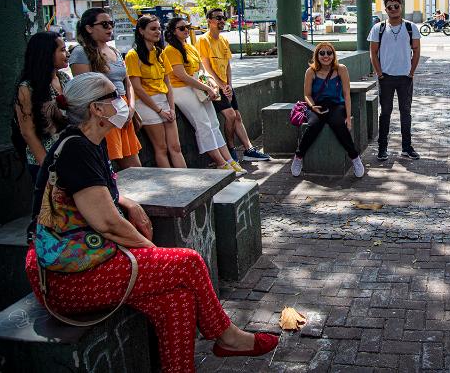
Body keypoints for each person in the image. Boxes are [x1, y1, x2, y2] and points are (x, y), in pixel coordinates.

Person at [24, 72, 278, 373]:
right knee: (188, 263)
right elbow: (107, 223)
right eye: (113, 96)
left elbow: (99, 191)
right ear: (96, 109)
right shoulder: (77, 148)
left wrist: (128, 202)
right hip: (65, 277)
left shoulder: (89, 142)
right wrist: (151, 253)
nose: (121, 101)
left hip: (90, 258)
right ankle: (228, 336)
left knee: (179, 301)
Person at [163, 16, 247, 176]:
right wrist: (207, 88)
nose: (186, 30)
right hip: (182, 89)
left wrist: (212, 84)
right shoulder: (170, 50)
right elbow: (182, 75)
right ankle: (220, 163)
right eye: (182, 28)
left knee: (214, 123)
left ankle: (229, 160)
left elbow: (201, 70)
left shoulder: (190, 47)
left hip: (198, 87)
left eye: (187, 27)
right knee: (203, 125)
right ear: (173, 32)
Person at [70, 7, 142, 170]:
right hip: (103, 114)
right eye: (104, 24)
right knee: (108, 166)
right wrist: (110, 112)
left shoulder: (114, 51)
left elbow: (127, 82)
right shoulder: (81, 53)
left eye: (111, 23)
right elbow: (85, 91)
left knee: (135, 167)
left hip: (123, 110)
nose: (110, 27)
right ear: (89, 28)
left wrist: (131, 108)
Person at [197, 9, 270, 162]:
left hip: (226, 86)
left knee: (237, 116)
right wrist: (222, 86)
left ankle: (249, 149)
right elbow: (206, 67)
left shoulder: (223, 40)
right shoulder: (204, 40)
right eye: (218, 18)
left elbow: (227, 65)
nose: (222, 21)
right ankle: (230, 149)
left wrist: (229, 85)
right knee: (230, 115)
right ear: (209, 21)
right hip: (214, 86)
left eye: (223, 18)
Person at [290, 42, 364, 178]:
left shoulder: (341, 69)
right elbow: (307, 94)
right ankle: (298, 156)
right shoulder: (311, 71)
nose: (326, 56)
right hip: (316, 105)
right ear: (317, 55)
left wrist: (348, 117)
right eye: (322, 53)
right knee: (313, 125)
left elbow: (347, 94)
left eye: (329, 53)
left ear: (333, 55)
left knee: (338, 124)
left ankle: (355, 158)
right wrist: (312, 107)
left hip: (336, 104)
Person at [126, 16, 186, 168]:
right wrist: (159, 110)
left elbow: (168, 83)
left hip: (164, 101)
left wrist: (171, 108)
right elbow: (137, 87)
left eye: (159, 28)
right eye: (153, 29)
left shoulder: (160, 52)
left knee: (176, 147)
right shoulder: (133, 55)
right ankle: (171, 186)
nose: (157, 32)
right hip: (147, 103)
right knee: (161, 148)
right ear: (141, 31)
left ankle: (187, 182)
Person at [368, 0, 421, 161]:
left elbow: (417, 50)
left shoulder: (411, 27)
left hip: (405, 78)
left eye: (396, 6)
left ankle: (407, 147)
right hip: (386, 78)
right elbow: (373, 52)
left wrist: (411, 72)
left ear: (401, 7)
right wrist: (379, 74)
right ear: (386, 9)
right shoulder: (379, 28)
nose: (393, 9)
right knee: (385, 113)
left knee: (406, 112)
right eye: (389, 7)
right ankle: (382, 148)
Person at [14, 31, 70, 182]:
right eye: (62, 50)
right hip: (46, 161)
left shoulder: (64, 78)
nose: (67, 54)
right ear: (46, 54)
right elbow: (28, 132)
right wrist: (48, 166)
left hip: (70, 155)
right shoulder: (27, 88)